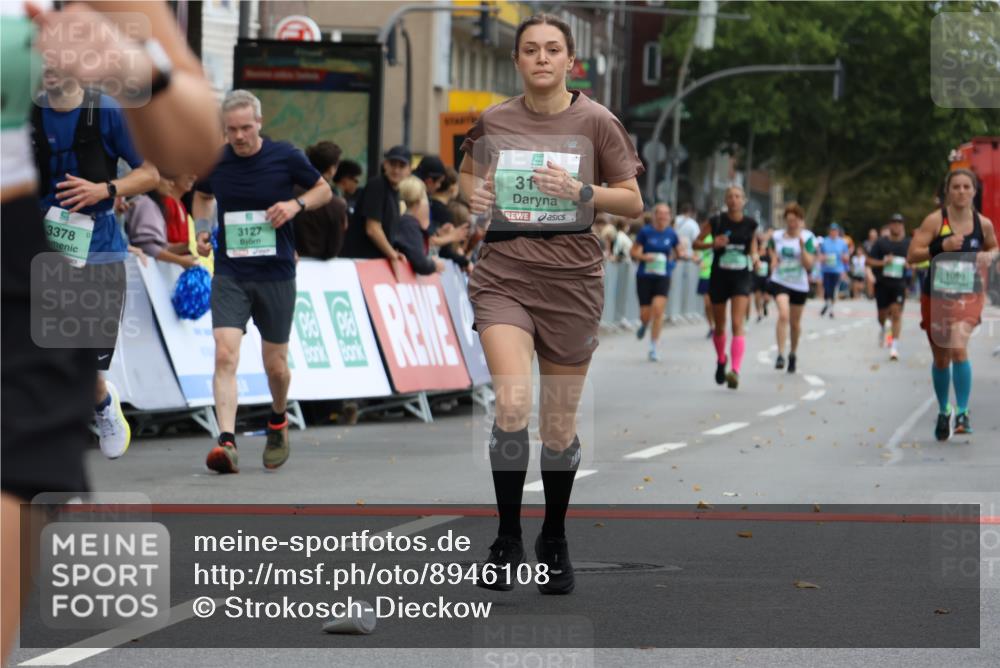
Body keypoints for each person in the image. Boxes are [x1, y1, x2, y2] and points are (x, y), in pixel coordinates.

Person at [3, 1, 221, 661]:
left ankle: (94, 398)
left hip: (50, 256)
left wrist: (130, 68)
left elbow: (188, 153)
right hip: (44, 246)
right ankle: (95, 397)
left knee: (76, 352)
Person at [459, 13, 643, 595]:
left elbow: (633, 202)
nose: (541, 58)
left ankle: (554, 536)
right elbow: (467, 178)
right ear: (518, 61)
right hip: (506, 272)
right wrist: (477, 195)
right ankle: (508, 536)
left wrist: (583, 192)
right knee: (512, 404)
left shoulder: (597, 122)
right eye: (531, 49)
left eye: (553, 49)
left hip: (571, 280)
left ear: (570, 61)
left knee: (558, 426)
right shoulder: (494, 118)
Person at [192, 90, 332, 474]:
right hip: (231, 273)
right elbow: (202, 197)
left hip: (276, 274)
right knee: (225, 353)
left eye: (245, 128)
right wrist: (203, 229)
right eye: (231, 129)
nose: (238, 136)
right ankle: (226, 441)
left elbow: (324, 190)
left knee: (276, 366)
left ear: (260, 123)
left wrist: (294, 205)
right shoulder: (215, 160)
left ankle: (277, 417)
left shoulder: (284, 156)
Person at [31, 66, 162, 460]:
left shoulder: (106, 109)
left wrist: (105, 188)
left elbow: (151, 173)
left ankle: (103, 404)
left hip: (100, 249)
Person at [908, 169, 997, 440]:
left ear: (973, 191)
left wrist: (989, 256)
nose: (961, 191)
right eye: (956, 187)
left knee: (958, 346)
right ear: (948, 191)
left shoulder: (983, 224)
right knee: (941, 357)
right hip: (936, 297)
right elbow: (913, 255)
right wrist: (941, 247)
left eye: (966, 187)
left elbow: (994, 247)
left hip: (968, 294)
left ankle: (963, 411)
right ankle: (944, 410)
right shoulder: (935, 221)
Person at [693, 186, 760, 389]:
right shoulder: (717, 221)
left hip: (741, 277)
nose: (733, 200)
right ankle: (722, 359)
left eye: (738, 196)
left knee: (737, 323)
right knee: (720, 325)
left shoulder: (751, 224)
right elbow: (696, 243)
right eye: (730, 196)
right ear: (726, 200)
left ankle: (735, 370)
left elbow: (753, 249)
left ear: (744, 200)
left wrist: (756, 258)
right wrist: (713, 244)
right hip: (719, 277)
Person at [340, 145, 410, 280]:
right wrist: (392, 255)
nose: (396, 170)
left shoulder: (393, 191)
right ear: (385, 164)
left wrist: (393, 253)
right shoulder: (377, 185)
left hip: (371, 266)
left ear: (409, 170)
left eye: (401, 166)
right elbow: (372, 229)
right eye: (392, 164)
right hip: (358, 265)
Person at [766, 203, 816, 373]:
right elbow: (771, 250)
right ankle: (780, 354)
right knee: (783, 314)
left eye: (794, 221)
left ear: (801, 221)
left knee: (795, 324)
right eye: (788, 221)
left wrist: (802, 249)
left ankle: (792, 353)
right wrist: (773, 259)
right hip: (780, 280)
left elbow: (809, 265)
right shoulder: (778, 236)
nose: (791, 224)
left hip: (799, 284)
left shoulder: (808, 237)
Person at [631, 203, 680, 361]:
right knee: (645, 314)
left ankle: (653, 347)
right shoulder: (645, 232)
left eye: (666, 214)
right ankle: (645, 324)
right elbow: (634, 251)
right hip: (644, 276)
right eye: (660, 214)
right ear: (655, 216)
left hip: (662, 277)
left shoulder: (672, 234)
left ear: (669, 217)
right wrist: (645, 257)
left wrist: (672, 263)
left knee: (658, 311)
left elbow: (679, 252)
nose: (663, 217)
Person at [867, 213, 911, 360]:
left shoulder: (907, 244)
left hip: (899, 284)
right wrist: (883, 262)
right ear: (889, 225)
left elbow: (916, 261)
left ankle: (894, 347)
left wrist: (910, 264)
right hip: (882, 284)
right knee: (882, 316)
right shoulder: (881, 243)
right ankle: (883, 327)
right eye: (894, 223)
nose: (896, 226)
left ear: (902, 226)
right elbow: (868, 261)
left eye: (899, 223)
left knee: (896, 313)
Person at [125, 183, 200, 269]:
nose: (172, 183)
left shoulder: (156, 204)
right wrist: (181, 260)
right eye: (167, 179)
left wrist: (186, 246)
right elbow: (148, 247)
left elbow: (159, 246)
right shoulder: (147, 204)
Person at [294, 140, 347, 260]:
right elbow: (333, 249)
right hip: (320, 269)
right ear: (332, 170)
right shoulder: (336, 205)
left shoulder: (287, 193)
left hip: (287, 265)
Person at [394, 176, 446, 275]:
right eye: (425, 197)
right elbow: (420, 262)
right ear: (418, 201)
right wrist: (434, 265)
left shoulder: (406, 222)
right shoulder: (409, 224)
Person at [818, 223, 849, 318]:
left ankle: (831, 309)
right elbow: (820, 255)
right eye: (832, 230)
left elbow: (846, 257)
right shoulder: (825, 241)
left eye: (835, 230)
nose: (834, 232)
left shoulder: (842, 243)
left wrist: (845, 269)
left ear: (838, 232)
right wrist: (823, 258)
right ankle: (827, 303)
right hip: (826, 269)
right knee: (827, 289)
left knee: (834, 290)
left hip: (837, 270)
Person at [694, 211, 715, 338]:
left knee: (715, 303)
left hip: (717, 274)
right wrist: (697, 259)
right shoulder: (704, 237)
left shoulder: (719, 236)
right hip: (705, 274)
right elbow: (697, 251)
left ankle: (718, 324)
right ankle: (711, 326)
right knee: (707, 304)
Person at [752, 228, 772, 322]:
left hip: (766, 277)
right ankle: (759, 314)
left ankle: (764, 305)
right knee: (757, 297)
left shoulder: (769, 250)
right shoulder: (755, 250)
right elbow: (753, 261)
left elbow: (773, 261)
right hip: (757, 277)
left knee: (767, 298)